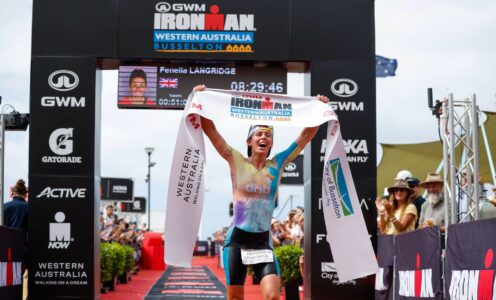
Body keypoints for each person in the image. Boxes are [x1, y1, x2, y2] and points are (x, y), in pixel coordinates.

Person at [194, 84, 329, 300]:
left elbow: (304, 137)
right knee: (236, 298)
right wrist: (200, 99)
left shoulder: (278, 163)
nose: (263, 138)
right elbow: (211, 131)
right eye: (259, 134)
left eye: (268, 135)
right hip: (237, 239)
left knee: (272, 296)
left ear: (271, 143)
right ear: (249, 140)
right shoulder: (236, 159)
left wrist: (319, 110)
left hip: (262, 241)